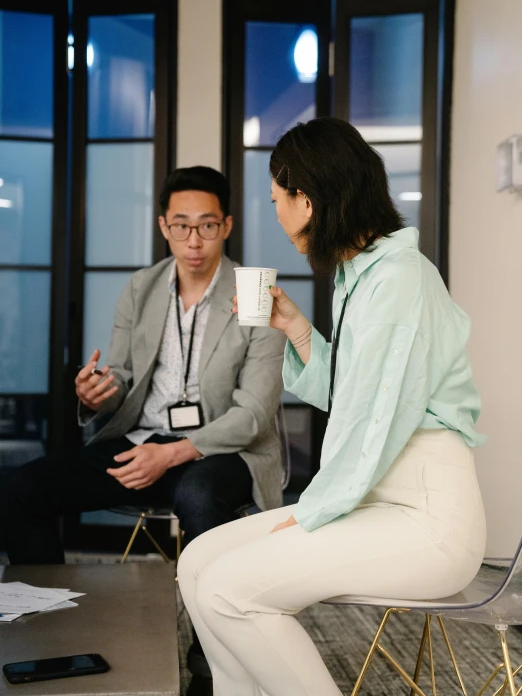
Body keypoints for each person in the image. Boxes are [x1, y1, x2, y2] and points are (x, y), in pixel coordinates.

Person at [177, 118, 487, 696]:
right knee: (197, 563)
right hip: (381, 501)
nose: (275, 214)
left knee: (227, 590)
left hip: (427, 520)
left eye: (278, 200)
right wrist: (296, 327)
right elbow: (353, 391)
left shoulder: (398, 280)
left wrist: (315, 508)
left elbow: (372, 423)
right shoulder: (360, 276)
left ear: (309, 199)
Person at [0, 166, 285, 685]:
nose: (193, 241)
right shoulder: (143, 286)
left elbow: (255, 414)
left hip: (223, 449)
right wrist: (95, 394)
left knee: (199, 496)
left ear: (226, 225)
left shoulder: (255, 291)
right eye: (180, 226)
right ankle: (57, 632)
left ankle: (213, 653)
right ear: (163, 226)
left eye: (206, 226)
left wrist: (176, 452)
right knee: (22, 489)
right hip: (142, 440)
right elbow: (125, 375)